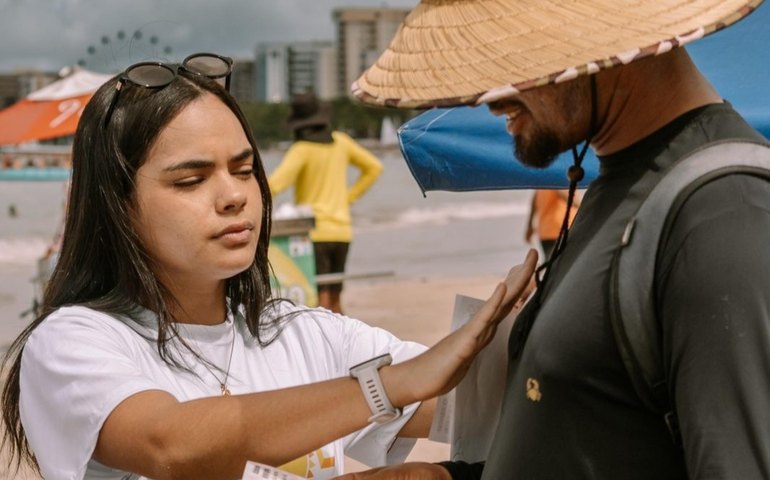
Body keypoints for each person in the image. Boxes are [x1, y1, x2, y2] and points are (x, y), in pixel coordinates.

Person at [0, 53, 538, 480]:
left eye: (244, 169)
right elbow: (172, 446)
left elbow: (482, 405)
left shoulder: (301, 334)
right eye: (191, 180)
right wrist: (387, 386)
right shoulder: (75, 340)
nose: (234, 196)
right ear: (117, 203)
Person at [344, 0, 770, 478]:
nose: (489, 98)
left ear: (598, 34)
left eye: (512, 61)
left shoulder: (721, 210)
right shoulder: (621, 182)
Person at [268, 92, 383, 314]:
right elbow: (374, 168)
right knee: (337, 299)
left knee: (320, 301)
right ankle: (344, 346)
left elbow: (275, 185)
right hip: (342, 231)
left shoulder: (301, 150)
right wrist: (347, 198)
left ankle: (326, 347)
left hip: (315, 234)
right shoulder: (341, 142)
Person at [524, 189, 579, 256]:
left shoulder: (542, 181)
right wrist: (583, 205)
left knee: (551, 261)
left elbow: (534, 200)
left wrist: (529, 225)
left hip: (545, 231)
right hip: (559, 229)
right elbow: (562, 193)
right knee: (563, 262)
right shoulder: (561, 179)